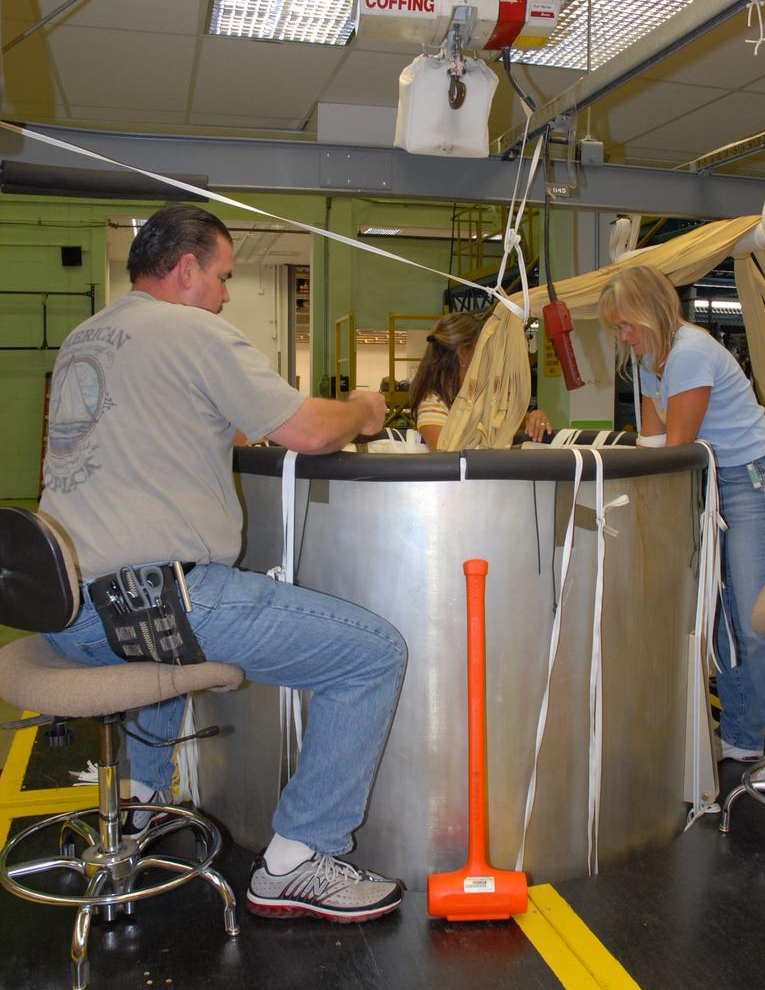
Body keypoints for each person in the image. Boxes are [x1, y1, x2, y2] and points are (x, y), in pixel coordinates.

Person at [39, 204, 407, 923]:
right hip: (150, 605)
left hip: (63, 612)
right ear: (185, 269)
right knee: (374, 656)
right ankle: (299, 859)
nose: (227, 294)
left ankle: (138, 806)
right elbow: (304, 429)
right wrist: (364, 412)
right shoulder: (195, 330)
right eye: (224, 276)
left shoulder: (87, 337)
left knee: (159, 644)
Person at [598, 264, 765, 782]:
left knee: (760, 622)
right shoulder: (651, 358)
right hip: (719, 486)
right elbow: (652, 443)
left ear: (651, 313)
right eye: (617, 329)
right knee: (724, 620)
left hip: (754, 483)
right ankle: (742, 736)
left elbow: (676, 450)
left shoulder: (691, 352)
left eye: (627, 325)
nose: (622, 337)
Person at [410, 312, 553, 450]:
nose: (488, 360)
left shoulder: (479, 399)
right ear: (463, 354)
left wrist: (534, 418)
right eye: (483, 351)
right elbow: (452, 462)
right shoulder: (432, 406)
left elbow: (515, 418)